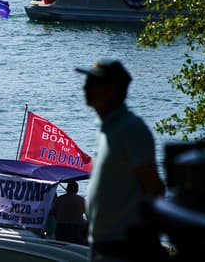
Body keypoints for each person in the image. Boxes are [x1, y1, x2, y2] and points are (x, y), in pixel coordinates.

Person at [76, 59, 165, 261]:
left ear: (111, 91)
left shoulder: (130, 128)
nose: (85, 87)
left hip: (123, 248)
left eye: (92, 83)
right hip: (103, 247)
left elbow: (154, 188)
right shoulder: (107, 129)